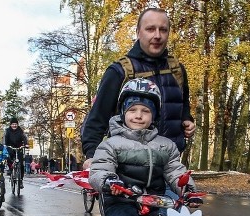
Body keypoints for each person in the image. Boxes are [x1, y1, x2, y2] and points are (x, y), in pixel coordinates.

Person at [88, 78, 197, 216]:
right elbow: (99, 169)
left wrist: (188, 191)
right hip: (121, 201)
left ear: (153, 115)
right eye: (133, 110)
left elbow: (176, 172)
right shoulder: (111, 144)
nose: (138, 115)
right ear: (123, 113)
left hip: (154, 201)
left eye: (145, 111)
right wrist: (110, 182)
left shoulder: (165, 145)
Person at [81, 8, 196, 170]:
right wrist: (91, 155)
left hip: (168, 166)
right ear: (138, 32)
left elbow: (183, 104)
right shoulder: (119, 71)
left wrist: (187, 119)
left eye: (163, 30)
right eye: (150, 29)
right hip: (127, 168)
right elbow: (97, 118)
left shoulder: (177, 70)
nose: (157, 35)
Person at [4, 117, 28, 188]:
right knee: (8, 157)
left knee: (21, 165)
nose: (14, 125)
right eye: (13, 124)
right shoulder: (7, 131)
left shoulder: (20, 130)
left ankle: (20, 180)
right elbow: (5, 138)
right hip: (10, 147)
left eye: (15, 124)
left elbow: (24, 137)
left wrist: (26, 144)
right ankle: (10, 169)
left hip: (19, 147)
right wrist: (5, 145)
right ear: (10, 125)